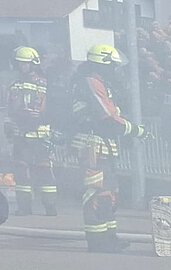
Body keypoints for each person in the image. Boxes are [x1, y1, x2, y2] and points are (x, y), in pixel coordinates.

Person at [69, 43, 148, 252]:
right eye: (112, 66)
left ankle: (109, 237)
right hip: (91, 146)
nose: (115, 70)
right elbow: (106, 116)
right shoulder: (91, 82)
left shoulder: (102, 84)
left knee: (110, 194)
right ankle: (97, 241)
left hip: (102, 145)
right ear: (101, 65)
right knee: (96, 193)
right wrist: (134, 130)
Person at [4, 46, 58, 216]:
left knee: (44, 170)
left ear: (34, 64)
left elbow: (51, 107)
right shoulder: (14, 85)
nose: (22, 66)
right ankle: (24, 207)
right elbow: (10, 109)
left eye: (25, 63)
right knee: (21, 171)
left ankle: (50, 206)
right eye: (20, 63)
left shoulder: (45, 83)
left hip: (40, 134)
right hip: (20, 135)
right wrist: (9, 127)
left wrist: (44, 120)